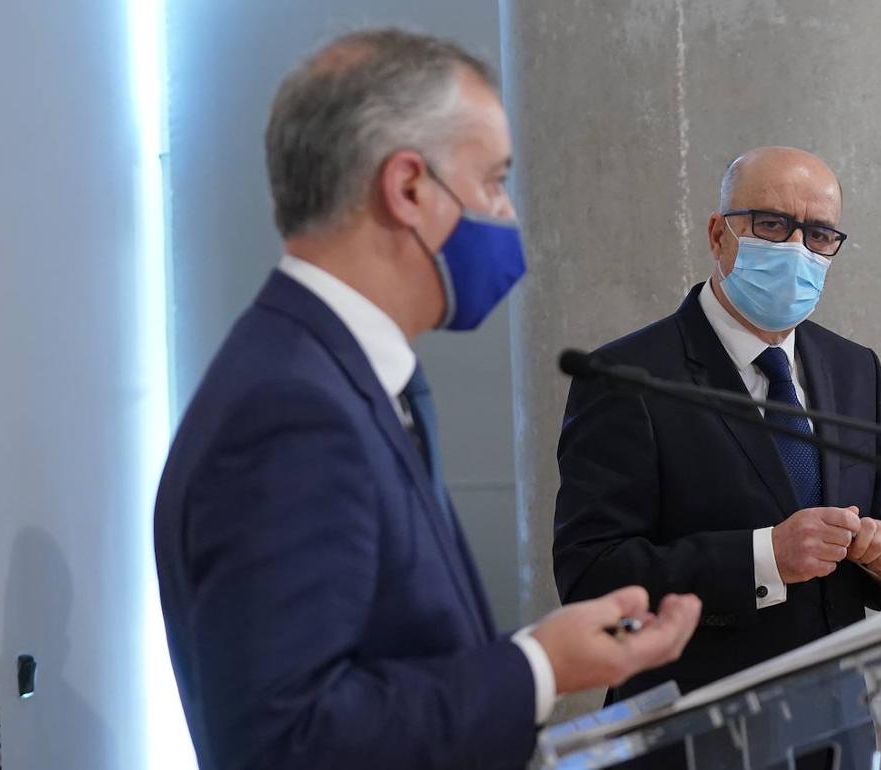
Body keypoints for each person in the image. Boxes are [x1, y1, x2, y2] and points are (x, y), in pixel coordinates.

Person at [153, 29, 701, 770]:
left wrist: (536, 658)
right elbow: (292, 741)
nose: (506, 213)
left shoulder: (345, 375)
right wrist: (539, 668)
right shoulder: (291, 410)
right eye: (494, 180)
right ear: (408, 187)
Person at [553, 146, 881, 721]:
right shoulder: (630, 378)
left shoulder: (855, 368)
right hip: (697, 731)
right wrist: (764, 558)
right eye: (773, 225)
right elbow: (591, 575)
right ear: (718, 234)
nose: (796, 249)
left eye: (820, 235)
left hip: (840, 721)